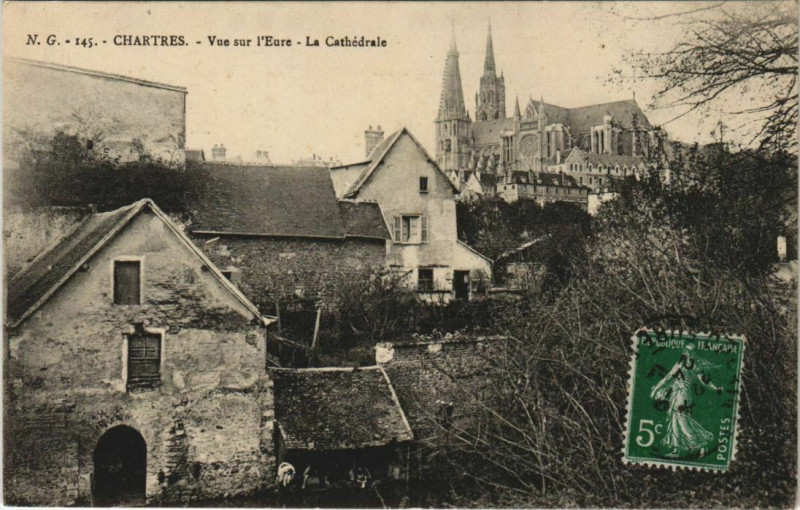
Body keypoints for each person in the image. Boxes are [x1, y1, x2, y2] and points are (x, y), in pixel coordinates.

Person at [650, 343, 723, 458]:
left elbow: (668, 377)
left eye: (686, 351)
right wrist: (716, 388)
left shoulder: (682, 364)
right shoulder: (696, 365)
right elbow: (705, 381)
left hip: (681, 394)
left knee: (680, 418)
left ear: (687, 352)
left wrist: (655, 390)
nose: (685, 353)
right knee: (676, 418)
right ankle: (677, 450)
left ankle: (700, 443)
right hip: (681, 394)